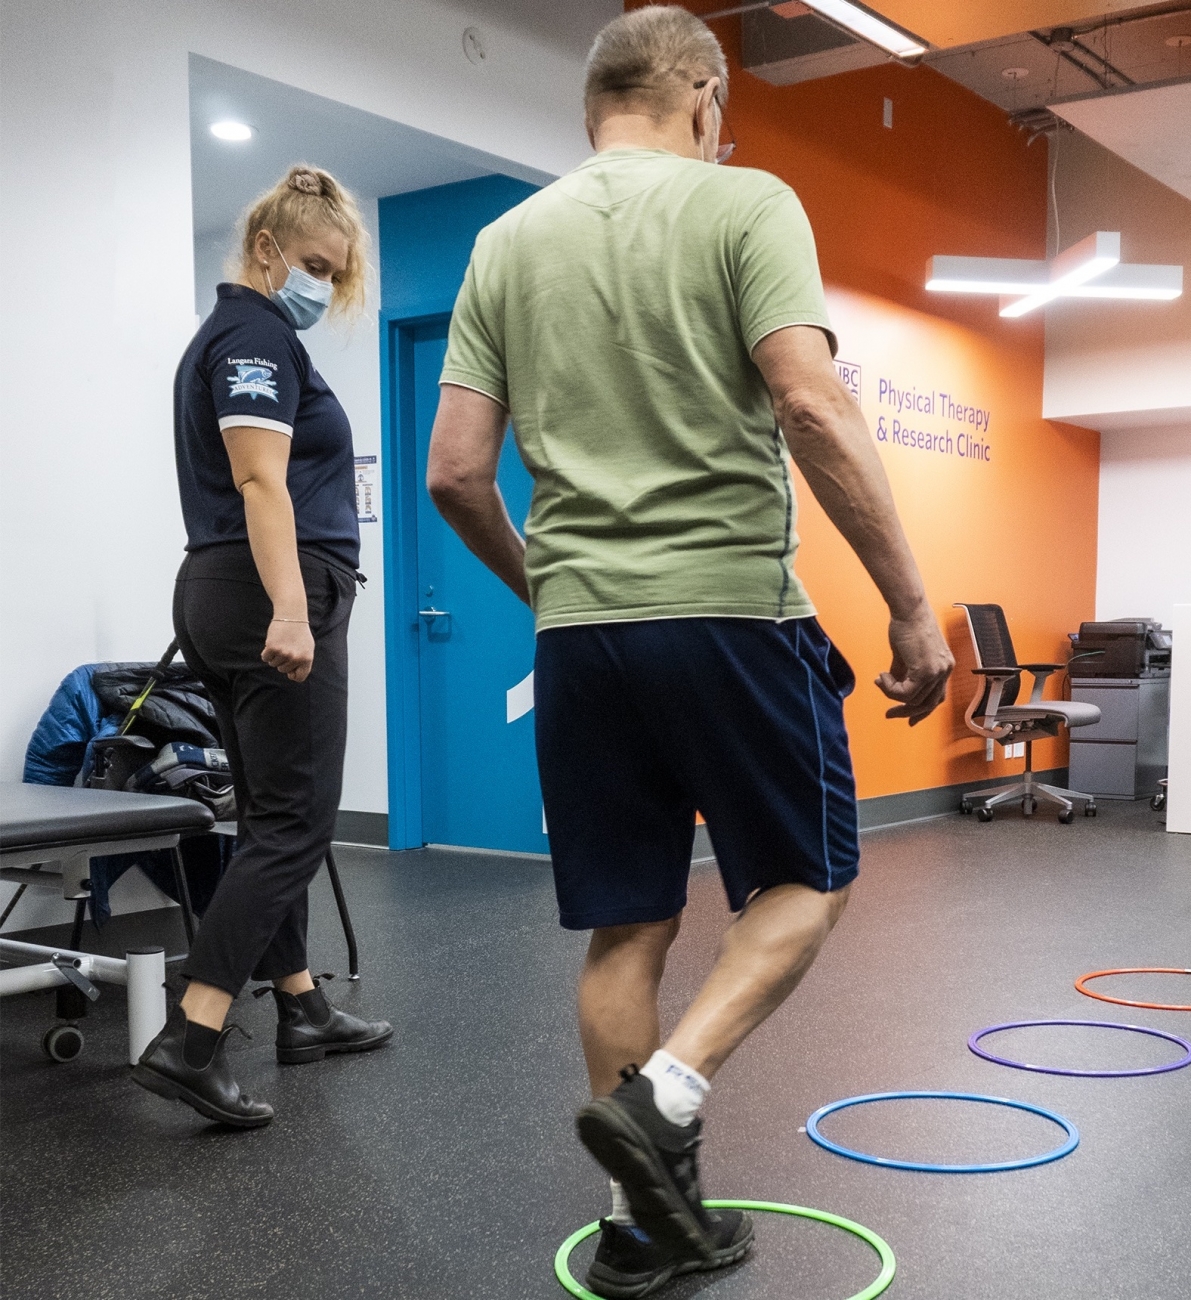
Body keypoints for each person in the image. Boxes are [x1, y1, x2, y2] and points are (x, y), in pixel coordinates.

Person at [426, 7, 954, 1295]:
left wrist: (547, 585)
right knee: (807, 876)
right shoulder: (745, 202)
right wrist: (907, 601)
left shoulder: (506, 241)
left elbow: (452, 473)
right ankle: (664, 1095)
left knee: (626, 924)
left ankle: (642, 1226)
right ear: (708, 100)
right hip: (726, 612)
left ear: (593, 106)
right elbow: (811, 403)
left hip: (582, 637)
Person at [133, 165, 392, 1128]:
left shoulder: (246, 335)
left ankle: (302, 1008)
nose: (323, 286)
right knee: (298, 823)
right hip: (267, 592)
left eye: (336, 271)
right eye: (316, 265)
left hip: (219, 590)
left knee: (268, 815)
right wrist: (292, 606)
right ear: (269, 249)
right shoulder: (251, 336)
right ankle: (192, 1039)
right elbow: (259, 483)